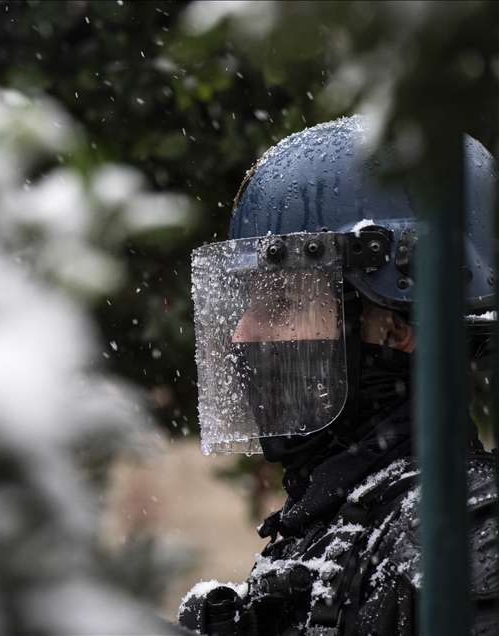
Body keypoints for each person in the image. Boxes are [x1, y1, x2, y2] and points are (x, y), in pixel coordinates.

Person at [174, 116, 497, 636]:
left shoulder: (467, 543)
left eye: (279, 303)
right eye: (247, 305)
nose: (241, 334)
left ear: (394, 328)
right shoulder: (338, 526)